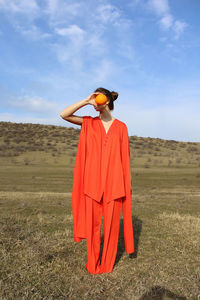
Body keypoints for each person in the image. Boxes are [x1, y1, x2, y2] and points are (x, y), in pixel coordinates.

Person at [60, 87, 135, 275]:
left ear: (107, 100)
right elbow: (64, 114)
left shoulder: (121, 127)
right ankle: (93, 265)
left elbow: (124, 159)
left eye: (97, 97)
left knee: (110, 229)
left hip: (114, 185)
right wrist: (86, 100)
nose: (94, 102)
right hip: (92, 184)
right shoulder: (89, 123)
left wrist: (125, 185)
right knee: (93, 228)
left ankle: (107, 265)